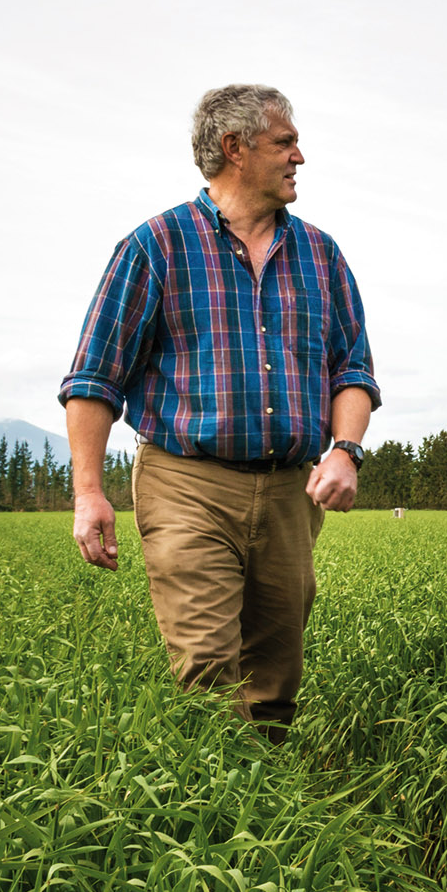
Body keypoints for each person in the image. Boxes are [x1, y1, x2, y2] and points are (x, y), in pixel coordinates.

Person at [59, 83, 379, 740]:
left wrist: (345, 451)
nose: (299, 157)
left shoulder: (321, 255)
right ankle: (216, 789)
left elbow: (352, 370)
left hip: (290, 491)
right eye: (285, 142)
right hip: (187, 483)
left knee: (276, 673)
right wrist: (88, 492)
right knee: (207, 664)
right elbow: (95, 377)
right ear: (235, 147)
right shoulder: (156, 245)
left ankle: (268, 790)